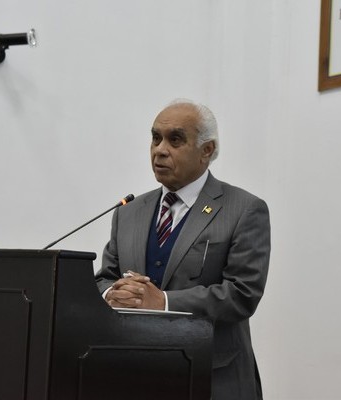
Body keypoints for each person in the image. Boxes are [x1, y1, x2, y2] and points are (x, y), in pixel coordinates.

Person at [95, 99, 270, 399]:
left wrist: (163, 301)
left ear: (207, 150)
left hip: (214, 378)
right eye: (155, 138)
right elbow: (105, 277)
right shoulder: (129, 212)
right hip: (137, 375)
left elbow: (242, 294)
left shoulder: (243, 209)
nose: (160, 150)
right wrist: (113, 293)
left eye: (175, 140)